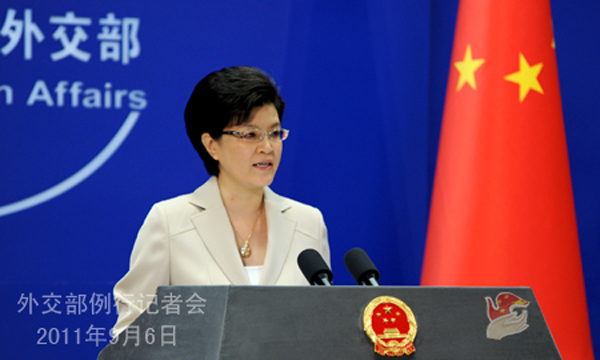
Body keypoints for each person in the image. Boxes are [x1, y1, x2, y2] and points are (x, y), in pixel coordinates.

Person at [111, 66, 330, 335]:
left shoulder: (308, 222)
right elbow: (132, 333)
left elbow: (322, 328)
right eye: (250, 135)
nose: (267, 147)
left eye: (274, 133)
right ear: (211, 145)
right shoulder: (169, 221)